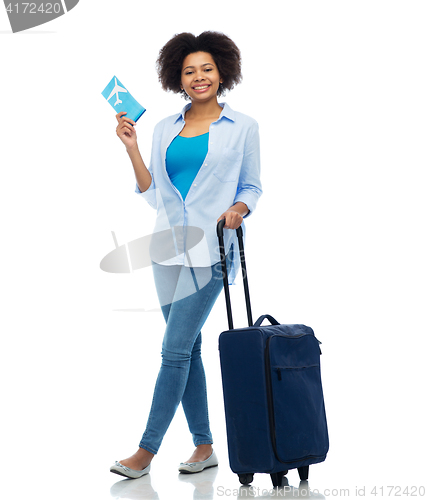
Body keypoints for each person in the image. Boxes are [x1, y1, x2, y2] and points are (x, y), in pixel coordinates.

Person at [110, 31, 263, 479]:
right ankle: (204, 445)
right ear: (178, 78)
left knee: (173, 351)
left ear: (222, 73)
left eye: (207, 69)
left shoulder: (244, 127)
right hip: (165, 251)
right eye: (189, 71)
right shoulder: (162, 129)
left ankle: (145, 451)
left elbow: (252, 186)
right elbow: (154, 194)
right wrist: (133, 148)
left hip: (212, 252)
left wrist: (238, 208)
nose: (199, 77)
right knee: (188, 349)